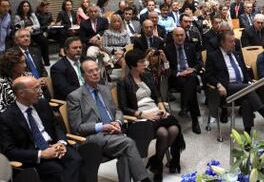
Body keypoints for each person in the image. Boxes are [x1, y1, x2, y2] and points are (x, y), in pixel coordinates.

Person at [66, 59, 150, 182]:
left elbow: (117, 110)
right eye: (90, 71)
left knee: (125, 152)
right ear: (83, 75)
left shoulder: (105, 89)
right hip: (93, 137)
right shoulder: (75, 96)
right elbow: (77, 127)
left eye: (96, 69)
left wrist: (118, 122)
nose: (95, 73)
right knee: (128, 143)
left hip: (114, 132)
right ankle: (144, 179)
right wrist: (102, 126)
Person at [118, 49, 185, 180]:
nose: (145, 64)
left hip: (155, 110)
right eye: (141, 62)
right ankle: (158, 165)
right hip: (140, 116)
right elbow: (123, 107)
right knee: (163, 133)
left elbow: (157, 96)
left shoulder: (147, 76)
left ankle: (156, 161)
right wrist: (143, 115)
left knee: (174, 129)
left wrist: (162, 108)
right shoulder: (124, 82)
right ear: (133, 65)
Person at [0, 76, 81, 182]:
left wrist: (61, 142)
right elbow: (10, 151)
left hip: (55, 146)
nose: (40, 92)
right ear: (21, 93)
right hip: (34, 156)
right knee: (58, 171)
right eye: (36, 89)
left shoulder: (43, 104)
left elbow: (57, 127)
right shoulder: (6, 118)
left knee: (77, 160)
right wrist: (41, 154)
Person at [205, 31, 264, 134]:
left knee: (247, 100)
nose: (234, 44)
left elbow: (245, 71)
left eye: (234, 41)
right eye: (231, 42)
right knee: (248, 89)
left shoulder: (237, 54)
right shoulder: (213, 56)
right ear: (222, 43)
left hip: (242, 88)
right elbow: (208, 75)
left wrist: (249, 80)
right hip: (226, 89)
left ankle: (247, 132)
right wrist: (218, 84)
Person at [165, 27, 202, 134]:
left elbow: (199, 63)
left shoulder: (190, 47)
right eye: (177, 35)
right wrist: (179, 73)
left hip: (190, 74)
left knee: (191, 78)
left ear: (185, 36)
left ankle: (185, 105)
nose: (180, 37)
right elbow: (166, 69)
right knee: (192, 87)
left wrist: (193, 69)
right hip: (176, 77)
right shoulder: (167, 49)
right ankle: (194, 120)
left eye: (182, 35)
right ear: (173, 37)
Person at [9, 28, 50, 100]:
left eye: (28, 36)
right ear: (16, 40)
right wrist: (35, 82)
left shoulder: (36, 51)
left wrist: (44, 78)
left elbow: (42, 68)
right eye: (22, 37)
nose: (26, 38)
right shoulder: (12, 54)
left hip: (42, 87)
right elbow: (14, 75)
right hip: (26, 90)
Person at [14, 0, 50, 65]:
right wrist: (25, 29)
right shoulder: (17, 16)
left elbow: (37, 25)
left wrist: (31, 28)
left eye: (27, 6)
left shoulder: (32, 14)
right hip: (25, 34)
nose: (26, 7)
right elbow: (17, 27)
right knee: (30, 43)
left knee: (44, 41)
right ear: (21, 7)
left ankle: (46, 61)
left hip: (34, 33)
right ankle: (33, 62)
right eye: (24, 6)